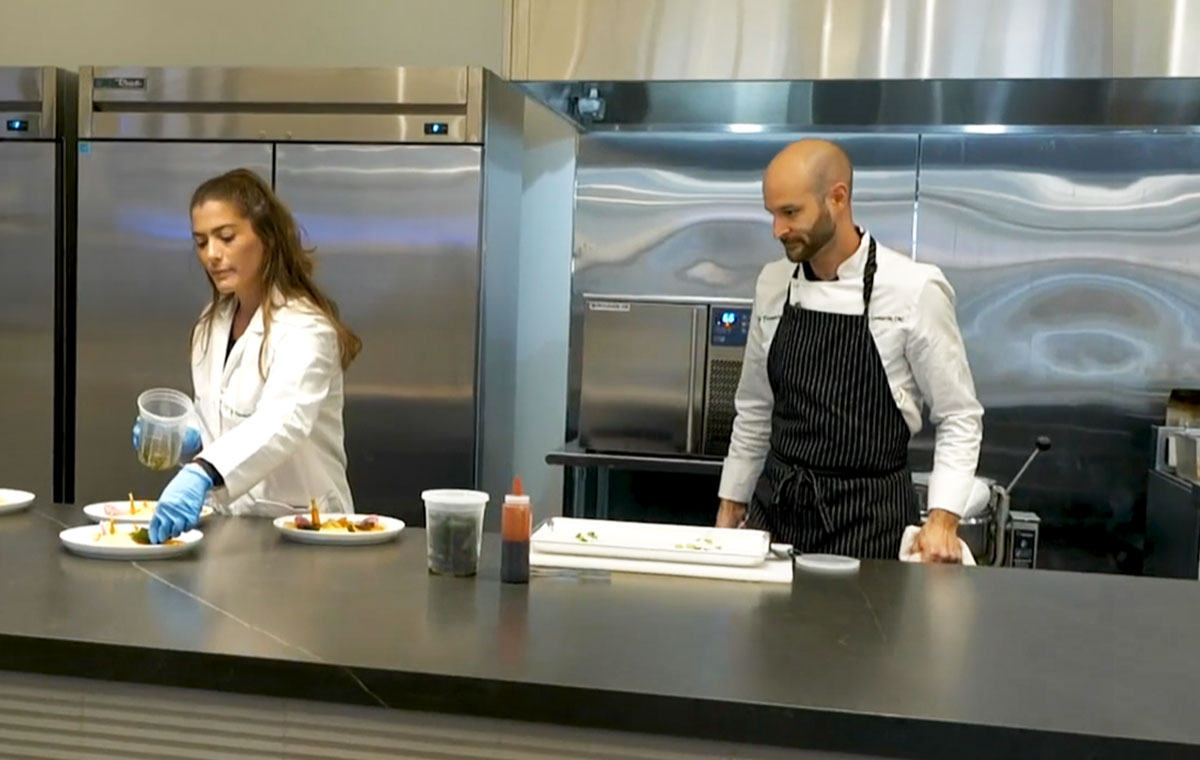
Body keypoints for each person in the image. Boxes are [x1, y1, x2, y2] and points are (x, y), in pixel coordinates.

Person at [715, 139, 983, 562]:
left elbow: (959, 416)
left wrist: (942, 519)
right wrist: (732, 501)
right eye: (773, 214)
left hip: (869, 524)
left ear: (837, 198)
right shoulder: (773, 284)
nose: (777, 230)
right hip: (777, 516)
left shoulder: (914, 289)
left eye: (790, 212)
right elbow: (754, 408)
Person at [131, 168, 362, 544]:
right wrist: (185, 437)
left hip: (307, 531)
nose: (212, 255)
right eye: (201, 242)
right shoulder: (213, 323)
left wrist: (201, 471)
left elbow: (281, 422)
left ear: (267, 238)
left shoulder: (305, 329)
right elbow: (219, 416)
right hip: (233, 531)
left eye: (226, 237)